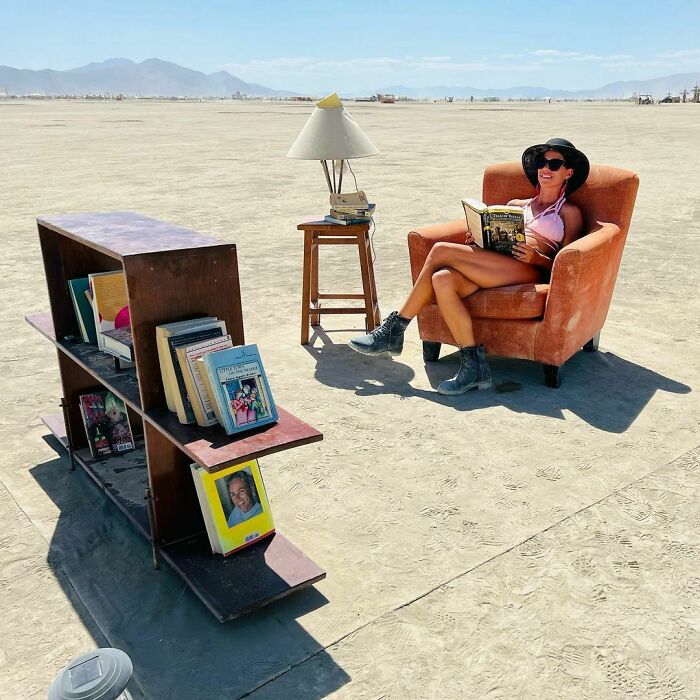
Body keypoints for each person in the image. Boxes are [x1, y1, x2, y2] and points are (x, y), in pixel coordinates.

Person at [349, 138, 590, 395]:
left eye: (554, 164)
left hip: (529, 269)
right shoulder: (516, 206)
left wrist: (536, 258)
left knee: (441, 250)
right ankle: (474, 368)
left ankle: (394, 330)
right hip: (495, 263)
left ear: (568, 172)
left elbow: (567, 264)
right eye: (542, 162)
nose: (546, 168)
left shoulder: (569, 212)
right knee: (442, 279)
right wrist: (479, 239)